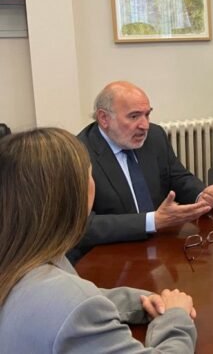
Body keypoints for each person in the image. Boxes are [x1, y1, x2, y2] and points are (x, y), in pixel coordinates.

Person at [0, 128, 197, 352]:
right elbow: (76, 305)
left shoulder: (22, 258)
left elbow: (78, 299)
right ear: (74, 195)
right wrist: (175, 317)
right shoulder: (74, 305)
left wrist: (141, 301)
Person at [69, 81, 213, 262]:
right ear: (104, 118)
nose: (144, 125)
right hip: (108, 256)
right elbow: (82, 226)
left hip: (160, 248)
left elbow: (177, 177)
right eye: (134, 116)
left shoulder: (155, 136)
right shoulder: (78, 154)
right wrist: (152, 221)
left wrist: (201, 195)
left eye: (147, 115)